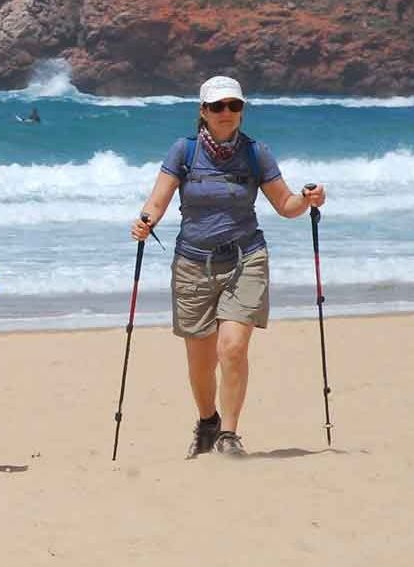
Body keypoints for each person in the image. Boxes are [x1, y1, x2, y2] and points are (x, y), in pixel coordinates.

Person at [130, 75, 325, 458]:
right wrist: (145, 221)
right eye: (218, 106)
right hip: (192, 263)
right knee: (200, 362)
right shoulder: (183, 152)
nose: (226, 113)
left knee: (232, 348)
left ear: (242, 110)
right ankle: (208, 422)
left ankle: (230, 435)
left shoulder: (256, 153)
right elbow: (158, 200)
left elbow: (285, 205)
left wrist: (307, 200)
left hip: (245, 258)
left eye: (234, 105)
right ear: (203, 111)